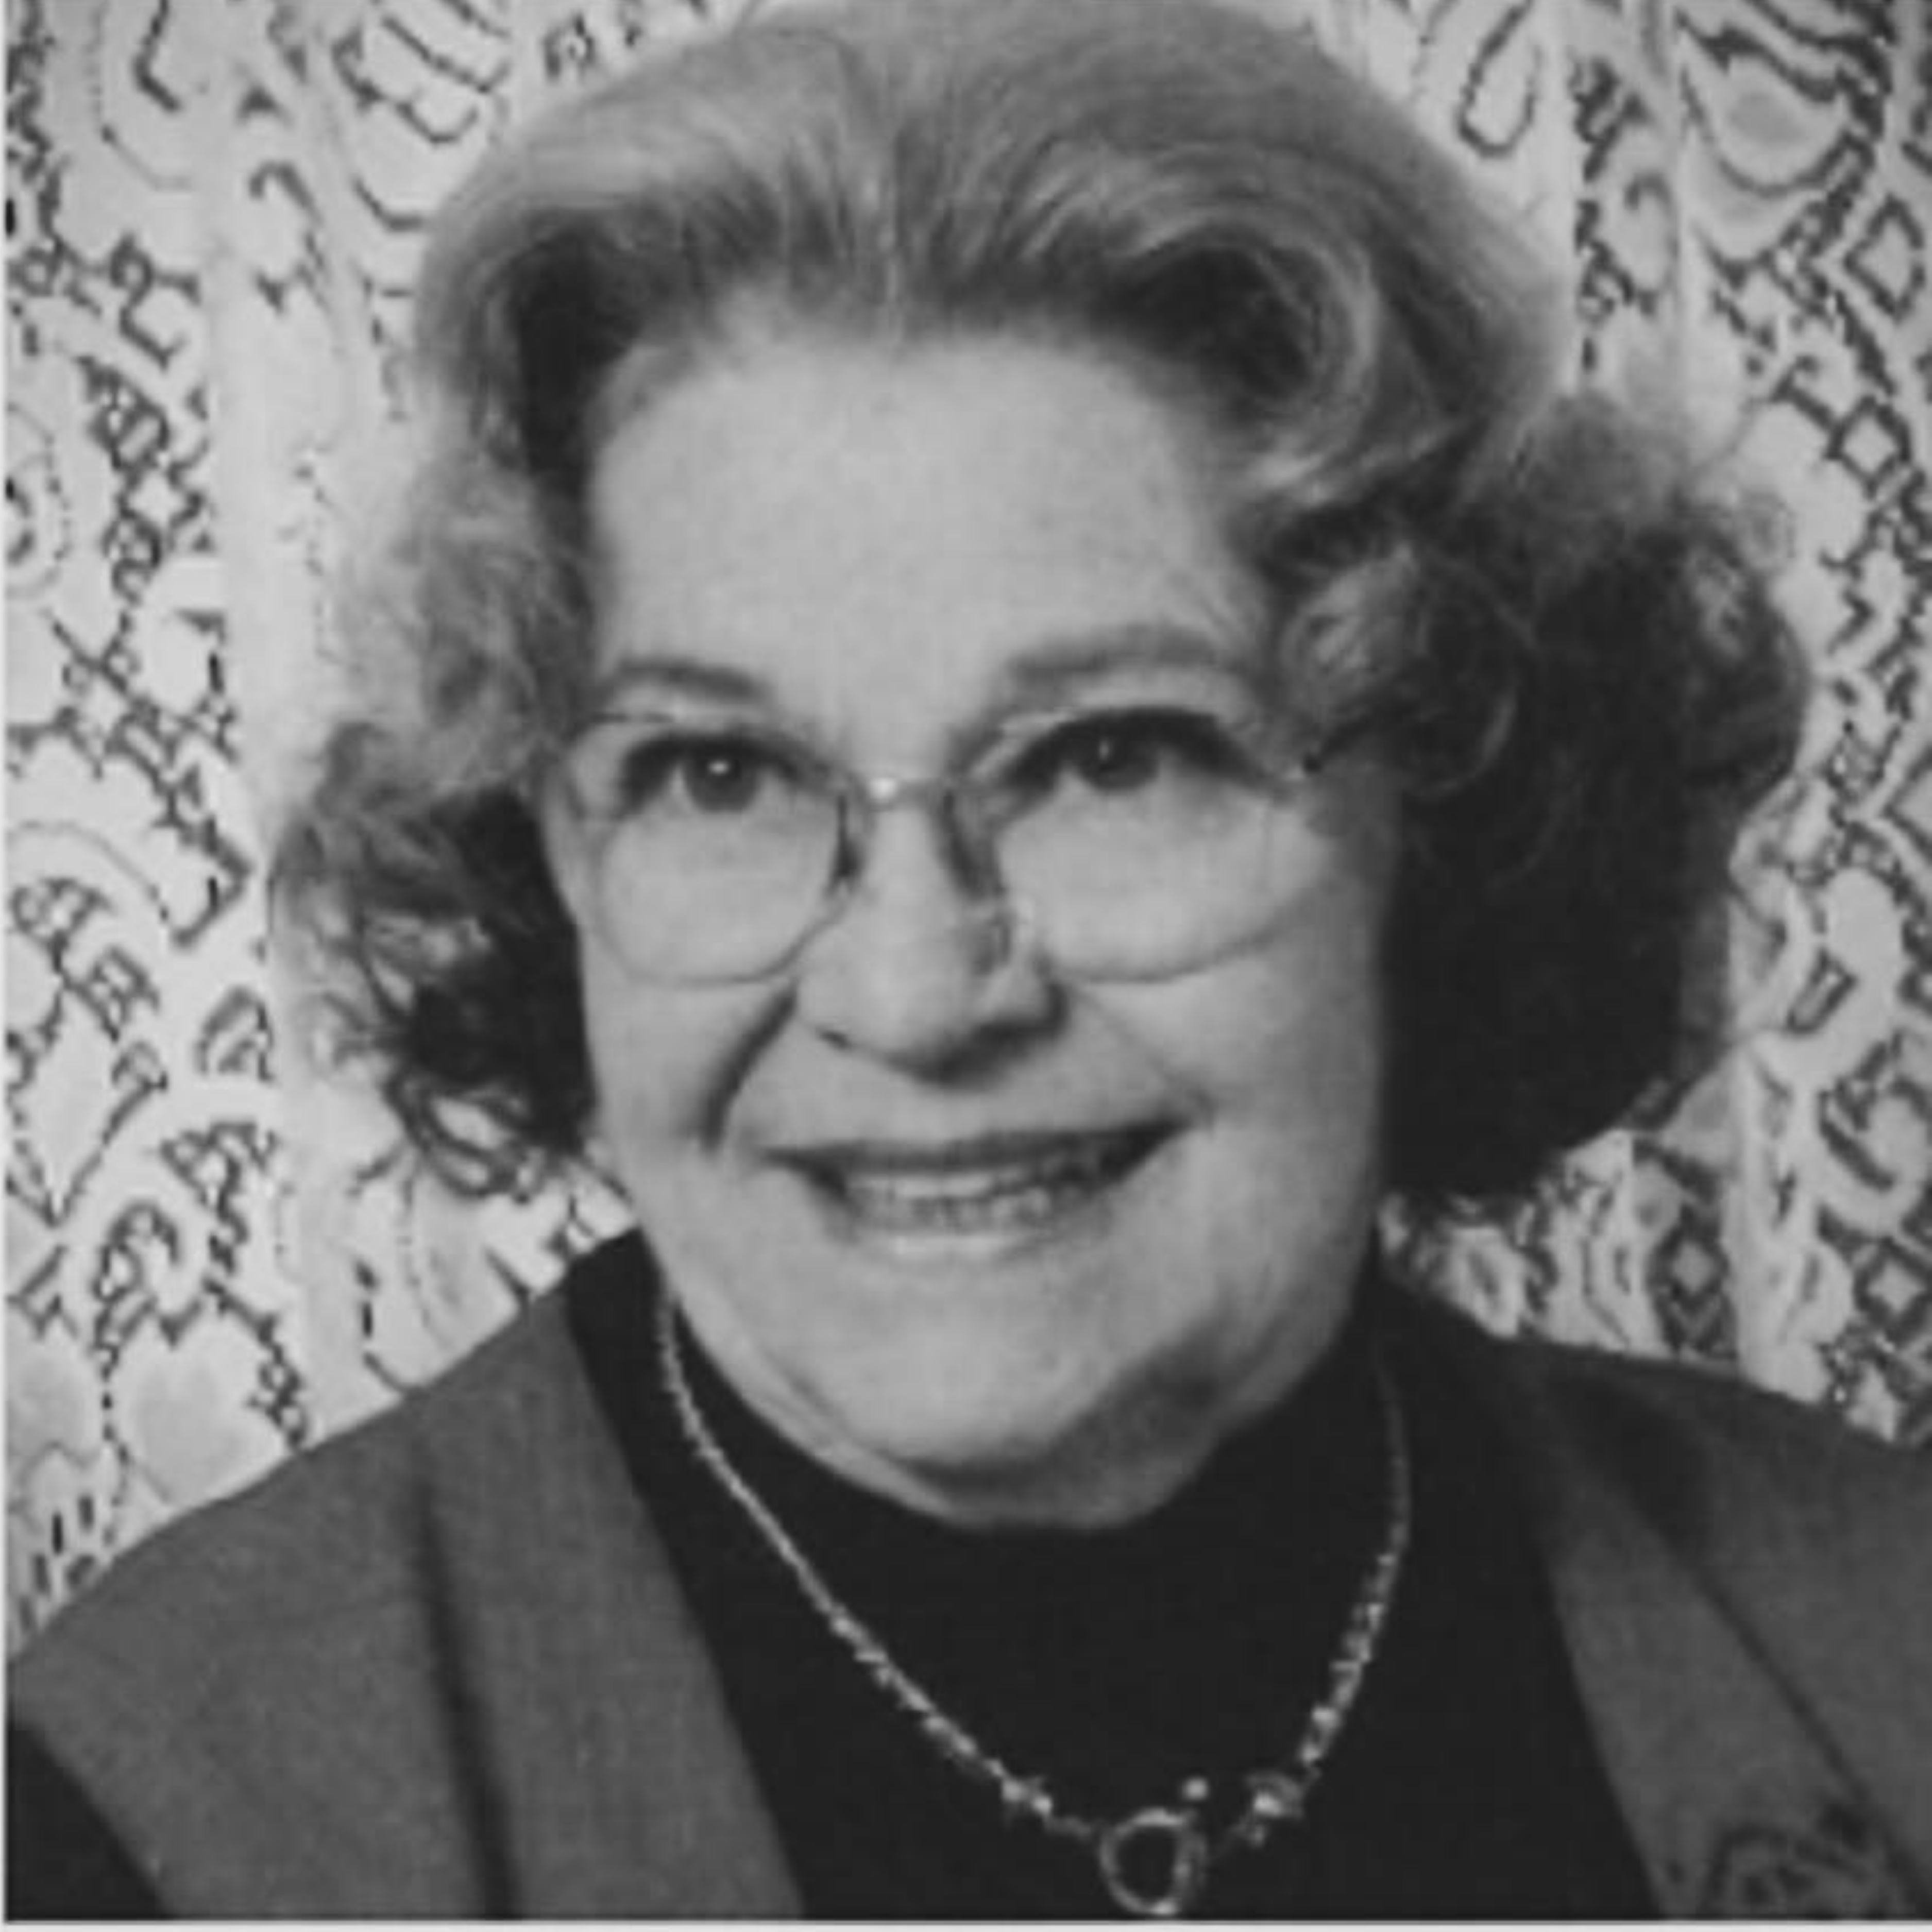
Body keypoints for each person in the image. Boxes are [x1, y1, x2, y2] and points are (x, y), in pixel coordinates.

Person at [10, 0, 1929, 1916]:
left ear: (1450, 813)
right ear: (548, 856)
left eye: (1112, 756)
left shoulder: (1873, 1619)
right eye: (720, 770)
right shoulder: (145, 1817)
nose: (914, 994)